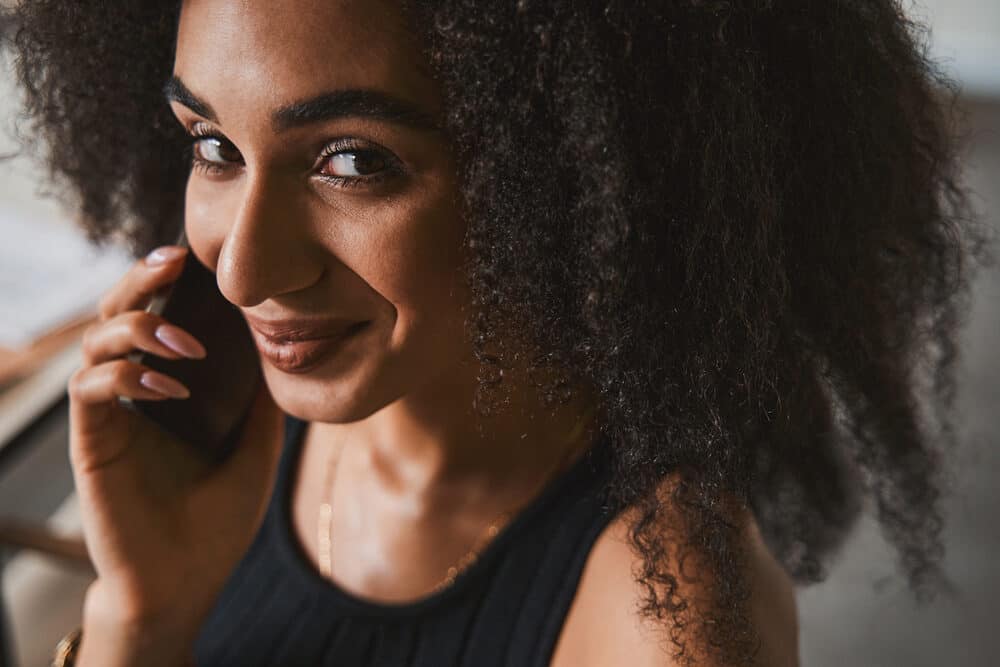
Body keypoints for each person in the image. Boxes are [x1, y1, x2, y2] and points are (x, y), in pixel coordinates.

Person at [3, 1, 989, 665]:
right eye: (213, 147)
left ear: (565, 172)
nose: (242, 269)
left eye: (354, 162)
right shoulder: (221, 406)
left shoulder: (667, 613)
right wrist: (140, 614)